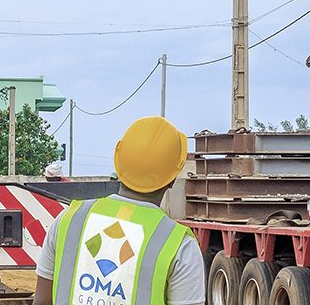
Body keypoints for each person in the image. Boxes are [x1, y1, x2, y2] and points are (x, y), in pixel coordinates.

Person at [33, 116, 204, 305]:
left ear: (117, 162)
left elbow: (41, 300)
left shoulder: (69, 220)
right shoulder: (179, 245)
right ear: (172, 178)